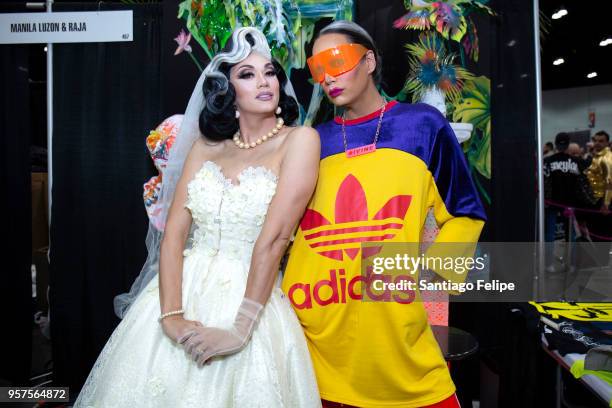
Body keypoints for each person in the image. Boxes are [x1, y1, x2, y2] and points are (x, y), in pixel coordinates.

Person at [74, 27, 321, 407]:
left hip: (250, 296)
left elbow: (274, 240)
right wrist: (171, 316)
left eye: (270, 72)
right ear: (227, 91)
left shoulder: (299, 140)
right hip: (181, 291)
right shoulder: (205, 148)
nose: (264, 82)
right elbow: (173, 235)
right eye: (247, 74)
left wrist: (239, 331)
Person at [282, 21, 486, 408]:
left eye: (338, 61)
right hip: (317, 331)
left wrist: (433, 273)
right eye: (318, 69)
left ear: (369, 60)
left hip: (395, 328)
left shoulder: (422, 126)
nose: (328, 77)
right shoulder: (312, 140)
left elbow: (465, 210)